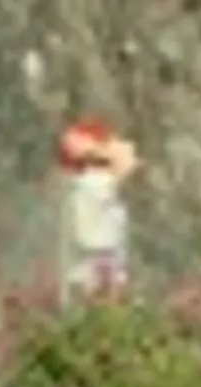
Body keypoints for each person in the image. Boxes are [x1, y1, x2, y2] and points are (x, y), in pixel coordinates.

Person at [56, 120, 139, 303]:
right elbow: (125, 165)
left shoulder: (88, 185)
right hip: (95, 266)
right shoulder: (93, 182)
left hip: (103, 264)